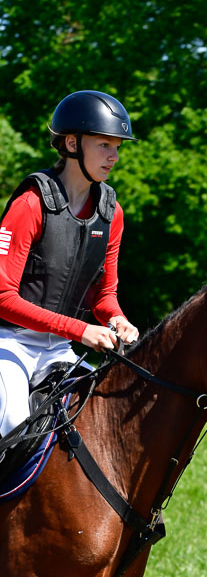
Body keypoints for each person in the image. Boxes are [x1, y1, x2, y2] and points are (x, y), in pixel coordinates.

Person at [0, 90, 139, 438]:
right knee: (17, 430)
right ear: (72, 143)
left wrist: (117, 319)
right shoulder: (29, 205)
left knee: (90, 429)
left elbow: (103, 295)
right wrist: (81, 330)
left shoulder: (112, 214)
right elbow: (3, 297)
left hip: (58, 348)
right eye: (104, 145)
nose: (115, 156)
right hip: (8, 343)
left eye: (118, 146)